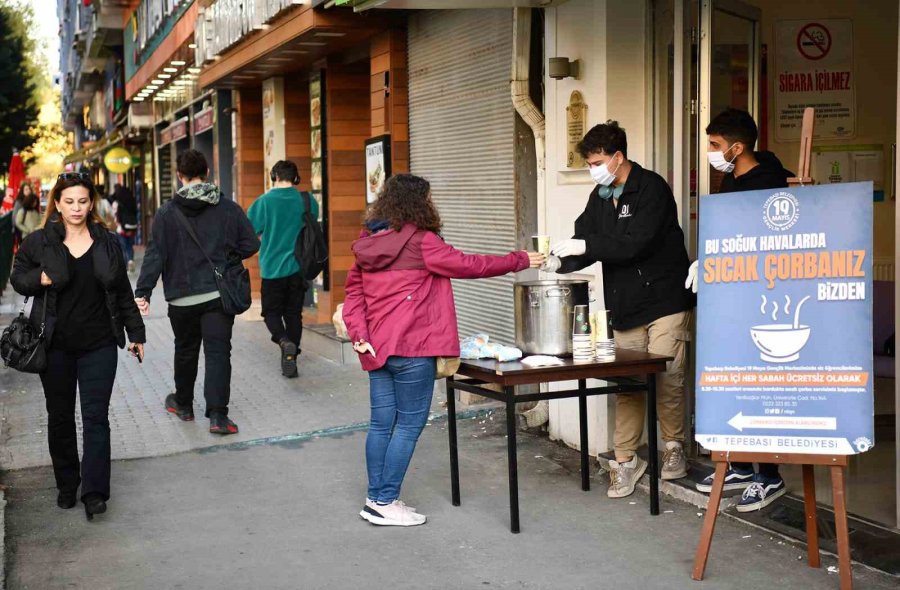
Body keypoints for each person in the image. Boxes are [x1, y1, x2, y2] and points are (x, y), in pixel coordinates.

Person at [342, 174, 544, 526]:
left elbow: (353, 295)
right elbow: (470, 265)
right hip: (414, 349)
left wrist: (359, 334)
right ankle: (385, 501)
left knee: (380, 425)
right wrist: (520, 260)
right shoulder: (423, 242)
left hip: (377, 349)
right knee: (407, 426)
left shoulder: (368, 242)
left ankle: (376, 498)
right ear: (420, 203)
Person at [543, 120, 695, 499]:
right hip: (626, 304)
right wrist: (558, 263)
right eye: (589, 163)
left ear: (617, 157)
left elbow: (633, 245)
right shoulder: (600, 196)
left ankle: (674, 448)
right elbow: (585, 238)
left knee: (667, 377)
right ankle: (625, 461)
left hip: (665, 298)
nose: (593, 169)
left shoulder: (652, 189)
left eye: (596, 162)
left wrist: (585, 247)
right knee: (627, 381)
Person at [10, 171, 146, 521]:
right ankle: (67, 484)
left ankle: (95, 492)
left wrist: (137, 335)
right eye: (69, 201)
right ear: (57, 203)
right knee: (59, 418)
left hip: (99, 344)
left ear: (91, 203)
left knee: (96, 417)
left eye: (82, 201)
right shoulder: (40, 242)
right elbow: (17, 276)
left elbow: (121, 292)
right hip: (53, 345)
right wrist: (37, 279)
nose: (76, 208)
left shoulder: (107, 241)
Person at [687, 107, 793, 512]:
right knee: (736, 381)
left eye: (715, 145)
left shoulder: (767, 184)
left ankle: (769, 475)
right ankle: (744, 465)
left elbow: (766, 242)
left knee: (759, 382)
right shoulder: (729, 177)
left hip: (762, 295)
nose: (710, 152)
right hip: (731, 292)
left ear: (737, 146)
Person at [134, 149, 259, 435]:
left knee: (185, 350)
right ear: (207, 173)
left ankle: (183, 405)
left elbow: (155, 255)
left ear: (179, 176)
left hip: (180, 298)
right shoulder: (226, 207)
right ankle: (217, 417)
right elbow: (251, 244)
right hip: (217, 296)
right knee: (217, 353)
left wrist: (143, 291)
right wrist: (226, 259)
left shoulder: (166, 213)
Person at [247, 160, 318, 378]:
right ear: (296, 178)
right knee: (293, 314)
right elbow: (312, 222)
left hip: (272, 269)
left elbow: (250, 231)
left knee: (271, 312)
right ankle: (291, 357)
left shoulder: (264, 202)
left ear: (274, 177)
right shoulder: (307, 200)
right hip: (299, 267)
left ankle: (283, 341)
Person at [111, 183, 139, 273]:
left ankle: (125, 265)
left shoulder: (117, 203)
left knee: (123, 247)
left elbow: (116, 215)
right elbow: (136, 213)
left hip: (121, 228)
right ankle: (130, 260)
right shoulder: (132, 201)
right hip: (132, 227)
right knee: (129, 246)